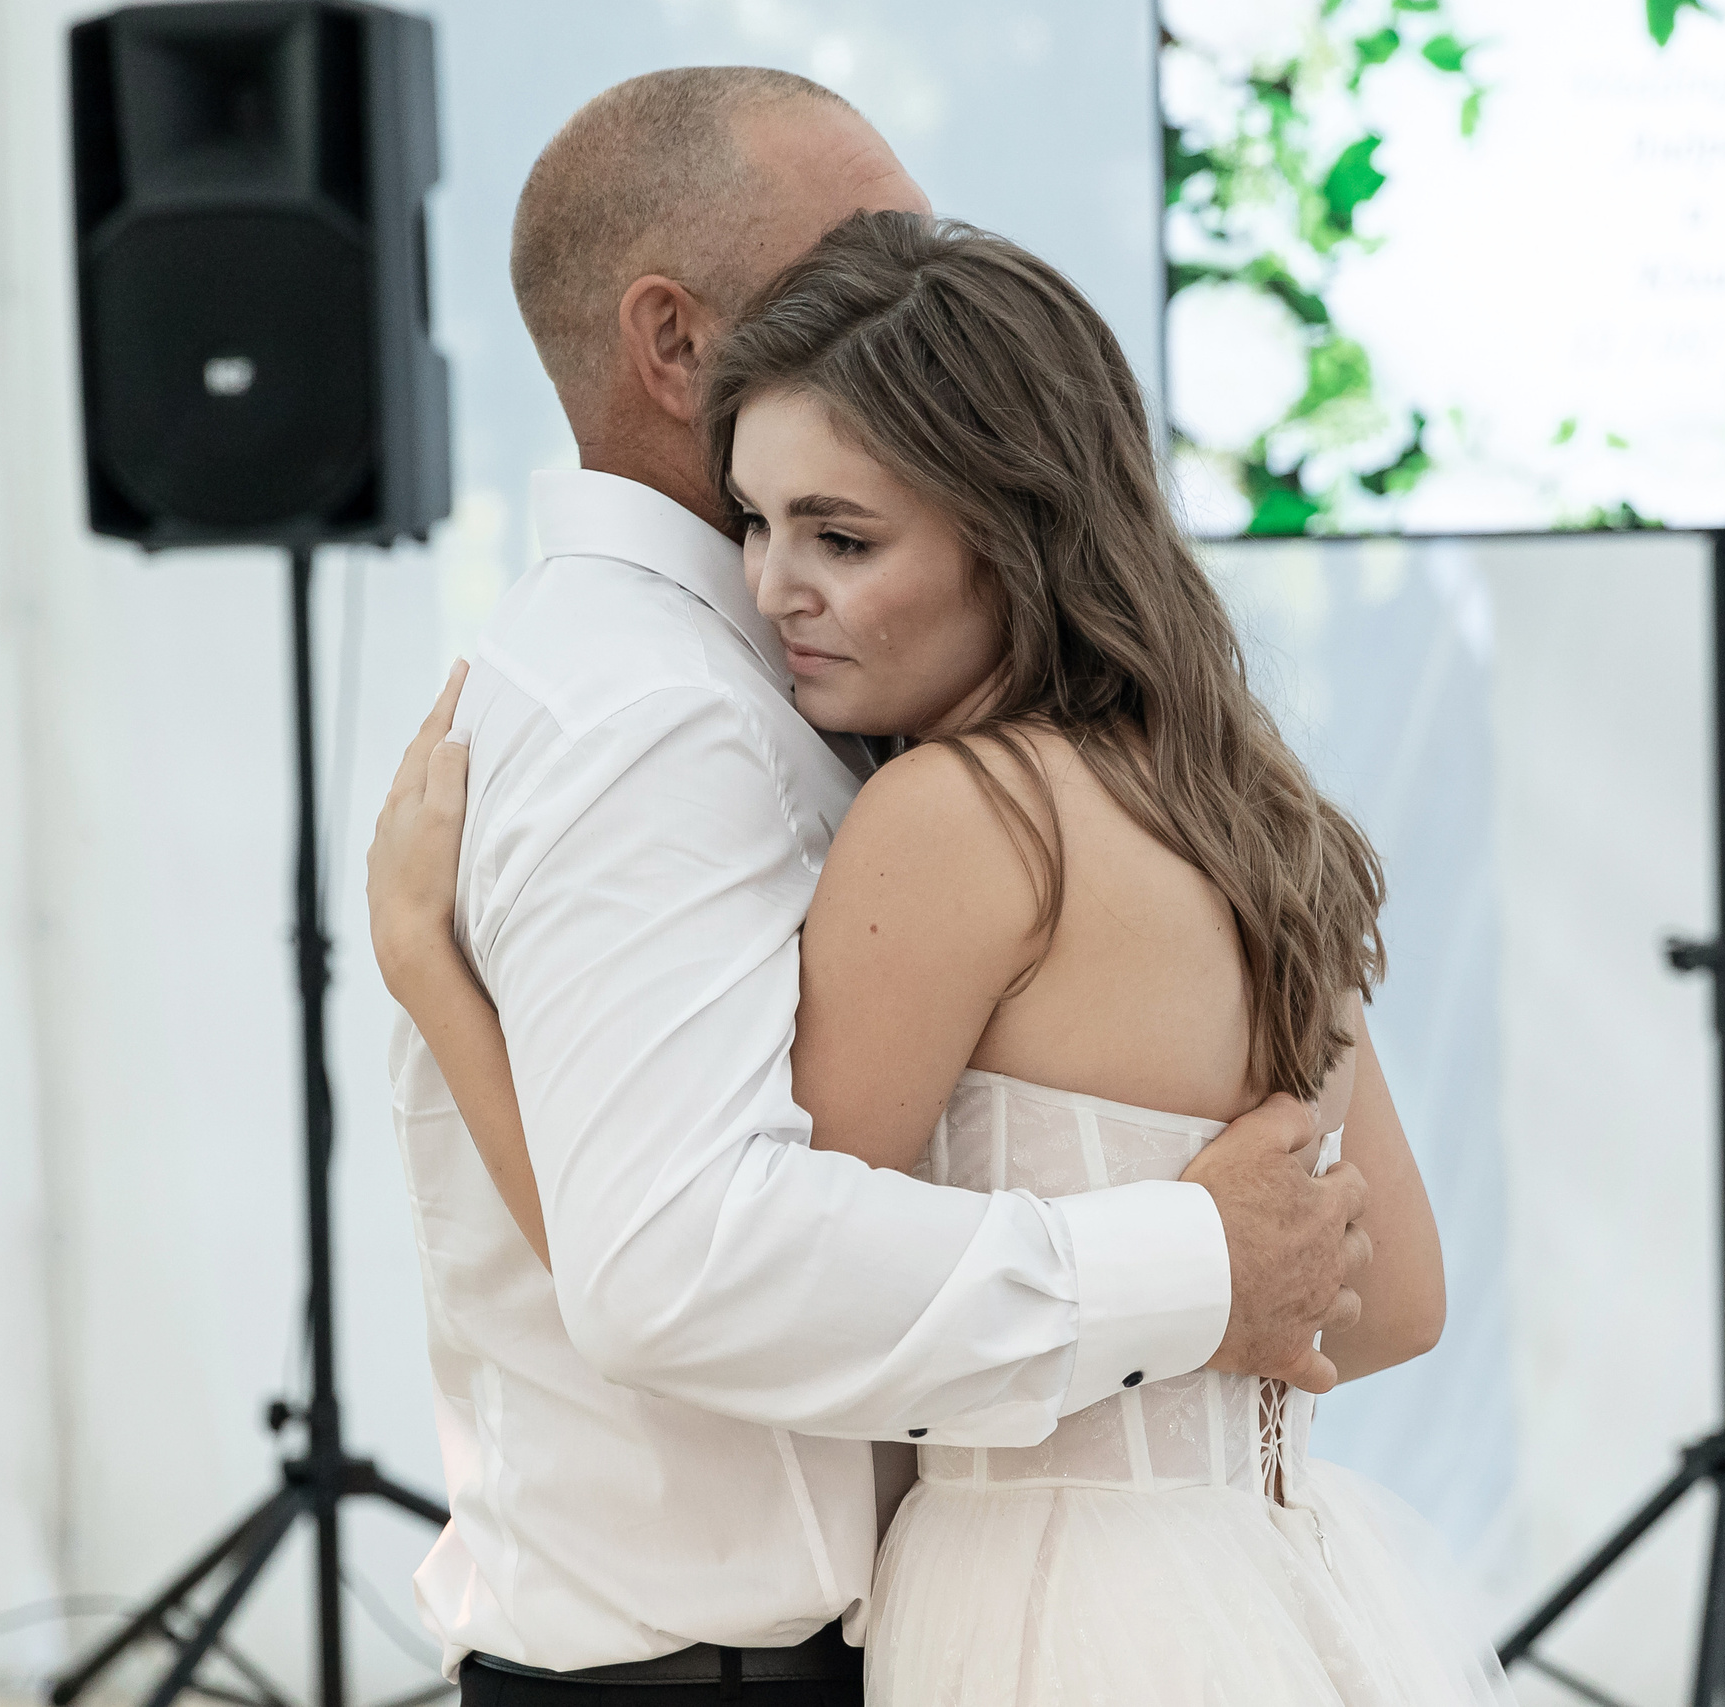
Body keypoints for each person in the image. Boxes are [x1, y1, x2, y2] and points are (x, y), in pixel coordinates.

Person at [368, 70, 1375, 1706]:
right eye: (861, 250)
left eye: (838, 533)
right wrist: (1202, 1271)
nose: (902, 296)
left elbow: (686, 1269)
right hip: (1166, 1598)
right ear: (674, 342)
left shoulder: (922, 785)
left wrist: (429, 970)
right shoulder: (1214, 791)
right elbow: (688, 1266)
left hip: (981, 1623)